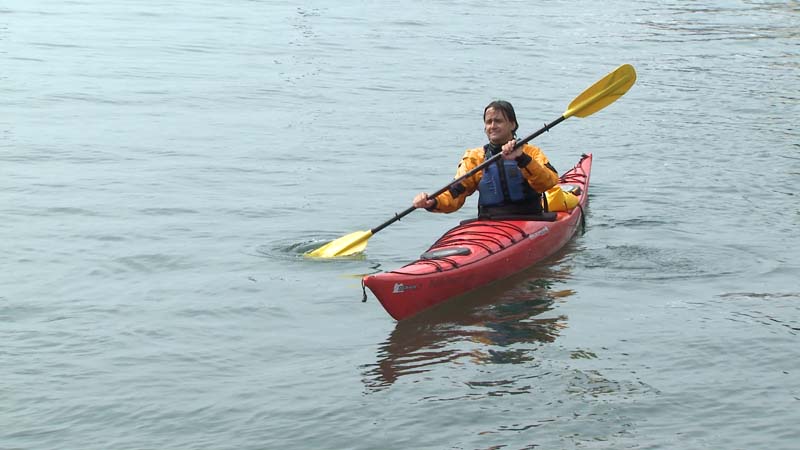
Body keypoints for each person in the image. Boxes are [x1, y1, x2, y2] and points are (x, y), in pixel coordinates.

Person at [413, 100, 559, 218]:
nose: (492, 126)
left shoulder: (531, 152)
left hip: (530, 218)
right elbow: (456, 193)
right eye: (489, 122)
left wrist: (522, 158)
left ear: (513, 125)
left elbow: (549, 182)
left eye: (498, 121)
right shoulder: (475, 157)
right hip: (490, 221)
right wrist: (433, 202)